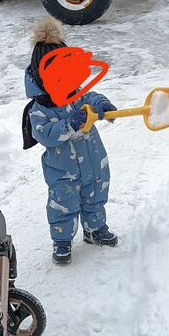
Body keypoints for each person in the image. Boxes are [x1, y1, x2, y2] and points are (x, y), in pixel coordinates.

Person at [23, 17, 118, 265]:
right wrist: (69, 124)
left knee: (95, 195)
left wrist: (102, 105)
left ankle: (94, 230)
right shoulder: (38, 109)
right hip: (62, 169)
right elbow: (45, 135)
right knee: (63, 204)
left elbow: (92, 96)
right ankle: (62, 241)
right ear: (41, 76)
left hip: (93, 160)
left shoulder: (77, 94)